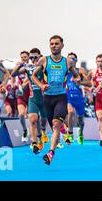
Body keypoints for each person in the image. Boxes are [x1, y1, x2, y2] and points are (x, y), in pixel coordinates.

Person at [32, 35, 81, 165]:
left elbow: (76, 75)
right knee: (54, 126)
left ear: (62, 46)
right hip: (47, 98)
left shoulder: (68, 62)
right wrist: (41, 85)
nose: (54, 46)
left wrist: (77, 79)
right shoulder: (44, 60)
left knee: (55, 125)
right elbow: (33, 76)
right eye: (52, 44)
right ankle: (63, 134)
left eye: (56, 43)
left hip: (61, 97)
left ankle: (50, 153)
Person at [11, 48, 49, 154]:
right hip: (33, 99)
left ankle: (42, 133)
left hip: (45, 99)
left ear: (40, 57)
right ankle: (34, 143)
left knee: (43, 121)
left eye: (35, 57)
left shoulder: (44, 66)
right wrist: (19, 65)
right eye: (31, 57)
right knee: (33, 120)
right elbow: (13, 74)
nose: (32, 59)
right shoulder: (28, 67)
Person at [64, 52, 91, 145]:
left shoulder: (81, 71)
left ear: (76, 61)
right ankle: (70, 133)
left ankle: (80, 131)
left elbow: (89, 83)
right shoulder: (65, 71)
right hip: (69, 97)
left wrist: (80, 83)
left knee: (80, 119)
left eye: (73, 59)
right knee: (70, 112)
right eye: (69, 59)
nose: (70, 61)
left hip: (79, 98)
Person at [16, 51, 31, 142]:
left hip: (31, 95)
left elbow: (27, 80)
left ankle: (37, 136)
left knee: (32, 117)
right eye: (22, 57)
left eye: (25, 57)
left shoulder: (31, 67)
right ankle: (25, 130)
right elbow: (13, 76)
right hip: (21, 96)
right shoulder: (18, 67)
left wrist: (23, 85)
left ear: (28, 58)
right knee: (21, 115)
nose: (23, 59)